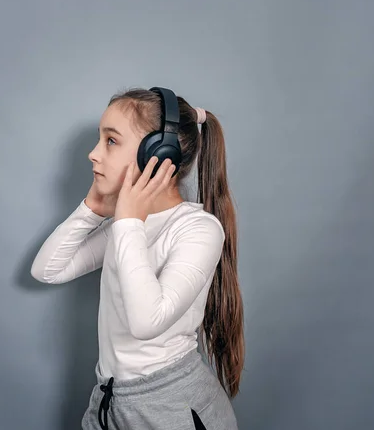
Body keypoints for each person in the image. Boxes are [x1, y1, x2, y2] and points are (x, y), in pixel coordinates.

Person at [31, 87, 244, 429]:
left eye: (111, 141)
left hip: (168, 408)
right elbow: (48, 270)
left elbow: (147, 322)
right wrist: (91, 211)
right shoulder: (124, 227)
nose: (93, 154)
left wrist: (128, 220)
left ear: (157, 154)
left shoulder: (198, 229)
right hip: (110, 400)